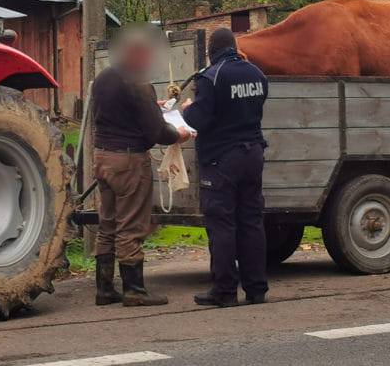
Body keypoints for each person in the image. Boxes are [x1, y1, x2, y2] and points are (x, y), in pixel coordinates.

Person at [92, 25, 191, 307]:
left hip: (103, 158)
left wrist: (152, 104)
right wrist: (180, 134)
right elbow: (156, 133)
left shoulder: (103, 78)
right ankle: (134, 290)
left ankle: (104, 288)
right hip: (128, 162)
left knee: (107, 224)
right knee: (131, 225)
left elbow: (121, 110)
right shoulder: (137, 81)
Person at [181, 27, 269, 307]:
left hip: (222, 160)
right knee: (251, 222)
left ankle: (225, 290)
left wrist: (186, 109)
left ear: (211, 51)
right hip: (253, 154)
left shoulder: (211, 76)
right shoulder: (256, 73)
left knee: (221, 224)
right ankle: (256, 289)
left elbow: (200, 119)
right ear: (235, 46)